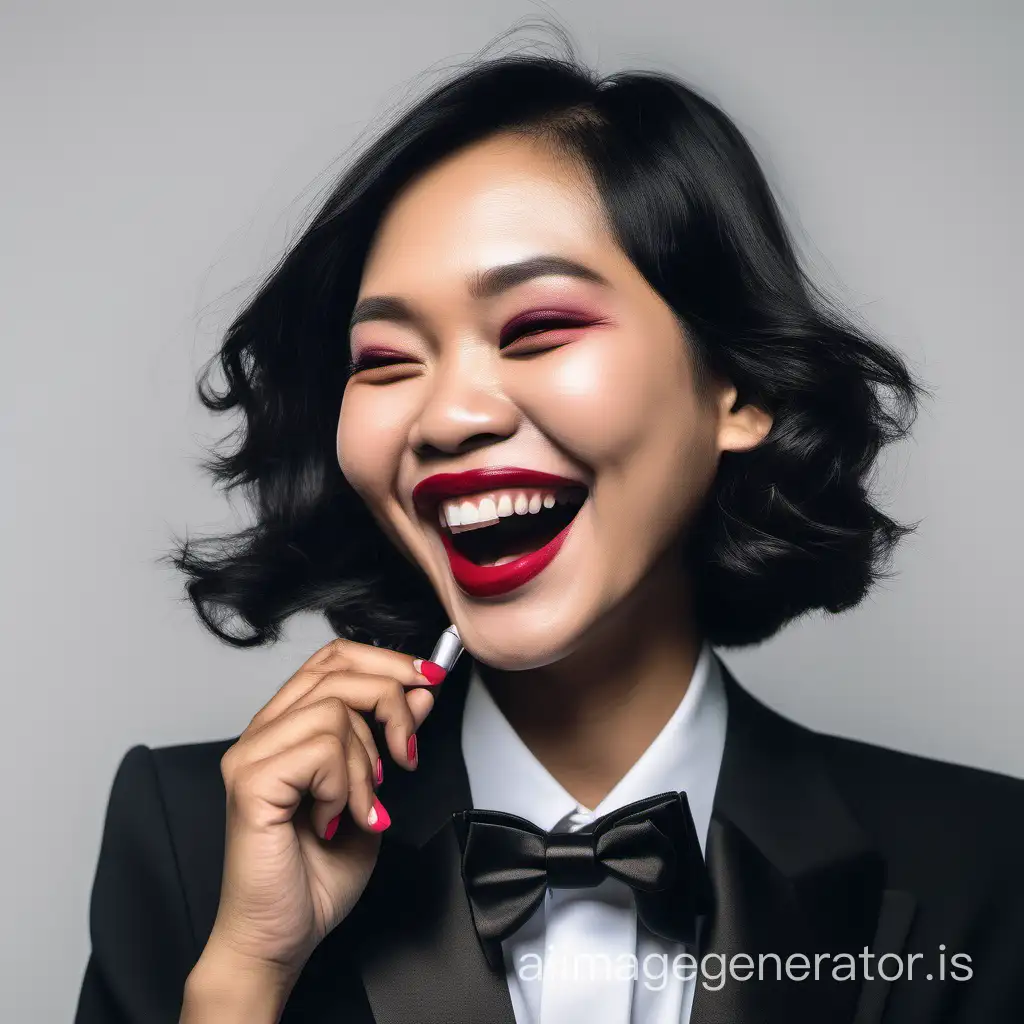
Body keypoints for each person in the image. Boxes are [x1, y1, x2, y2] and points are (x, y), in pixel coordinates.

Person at [73, 46, 1024, 1024]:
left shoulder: (983, 862)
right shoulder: (193, 841)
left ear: (739, 390)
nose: (445, 419)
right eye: (386, 359)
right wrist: (244, 973)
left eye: (535, 329)